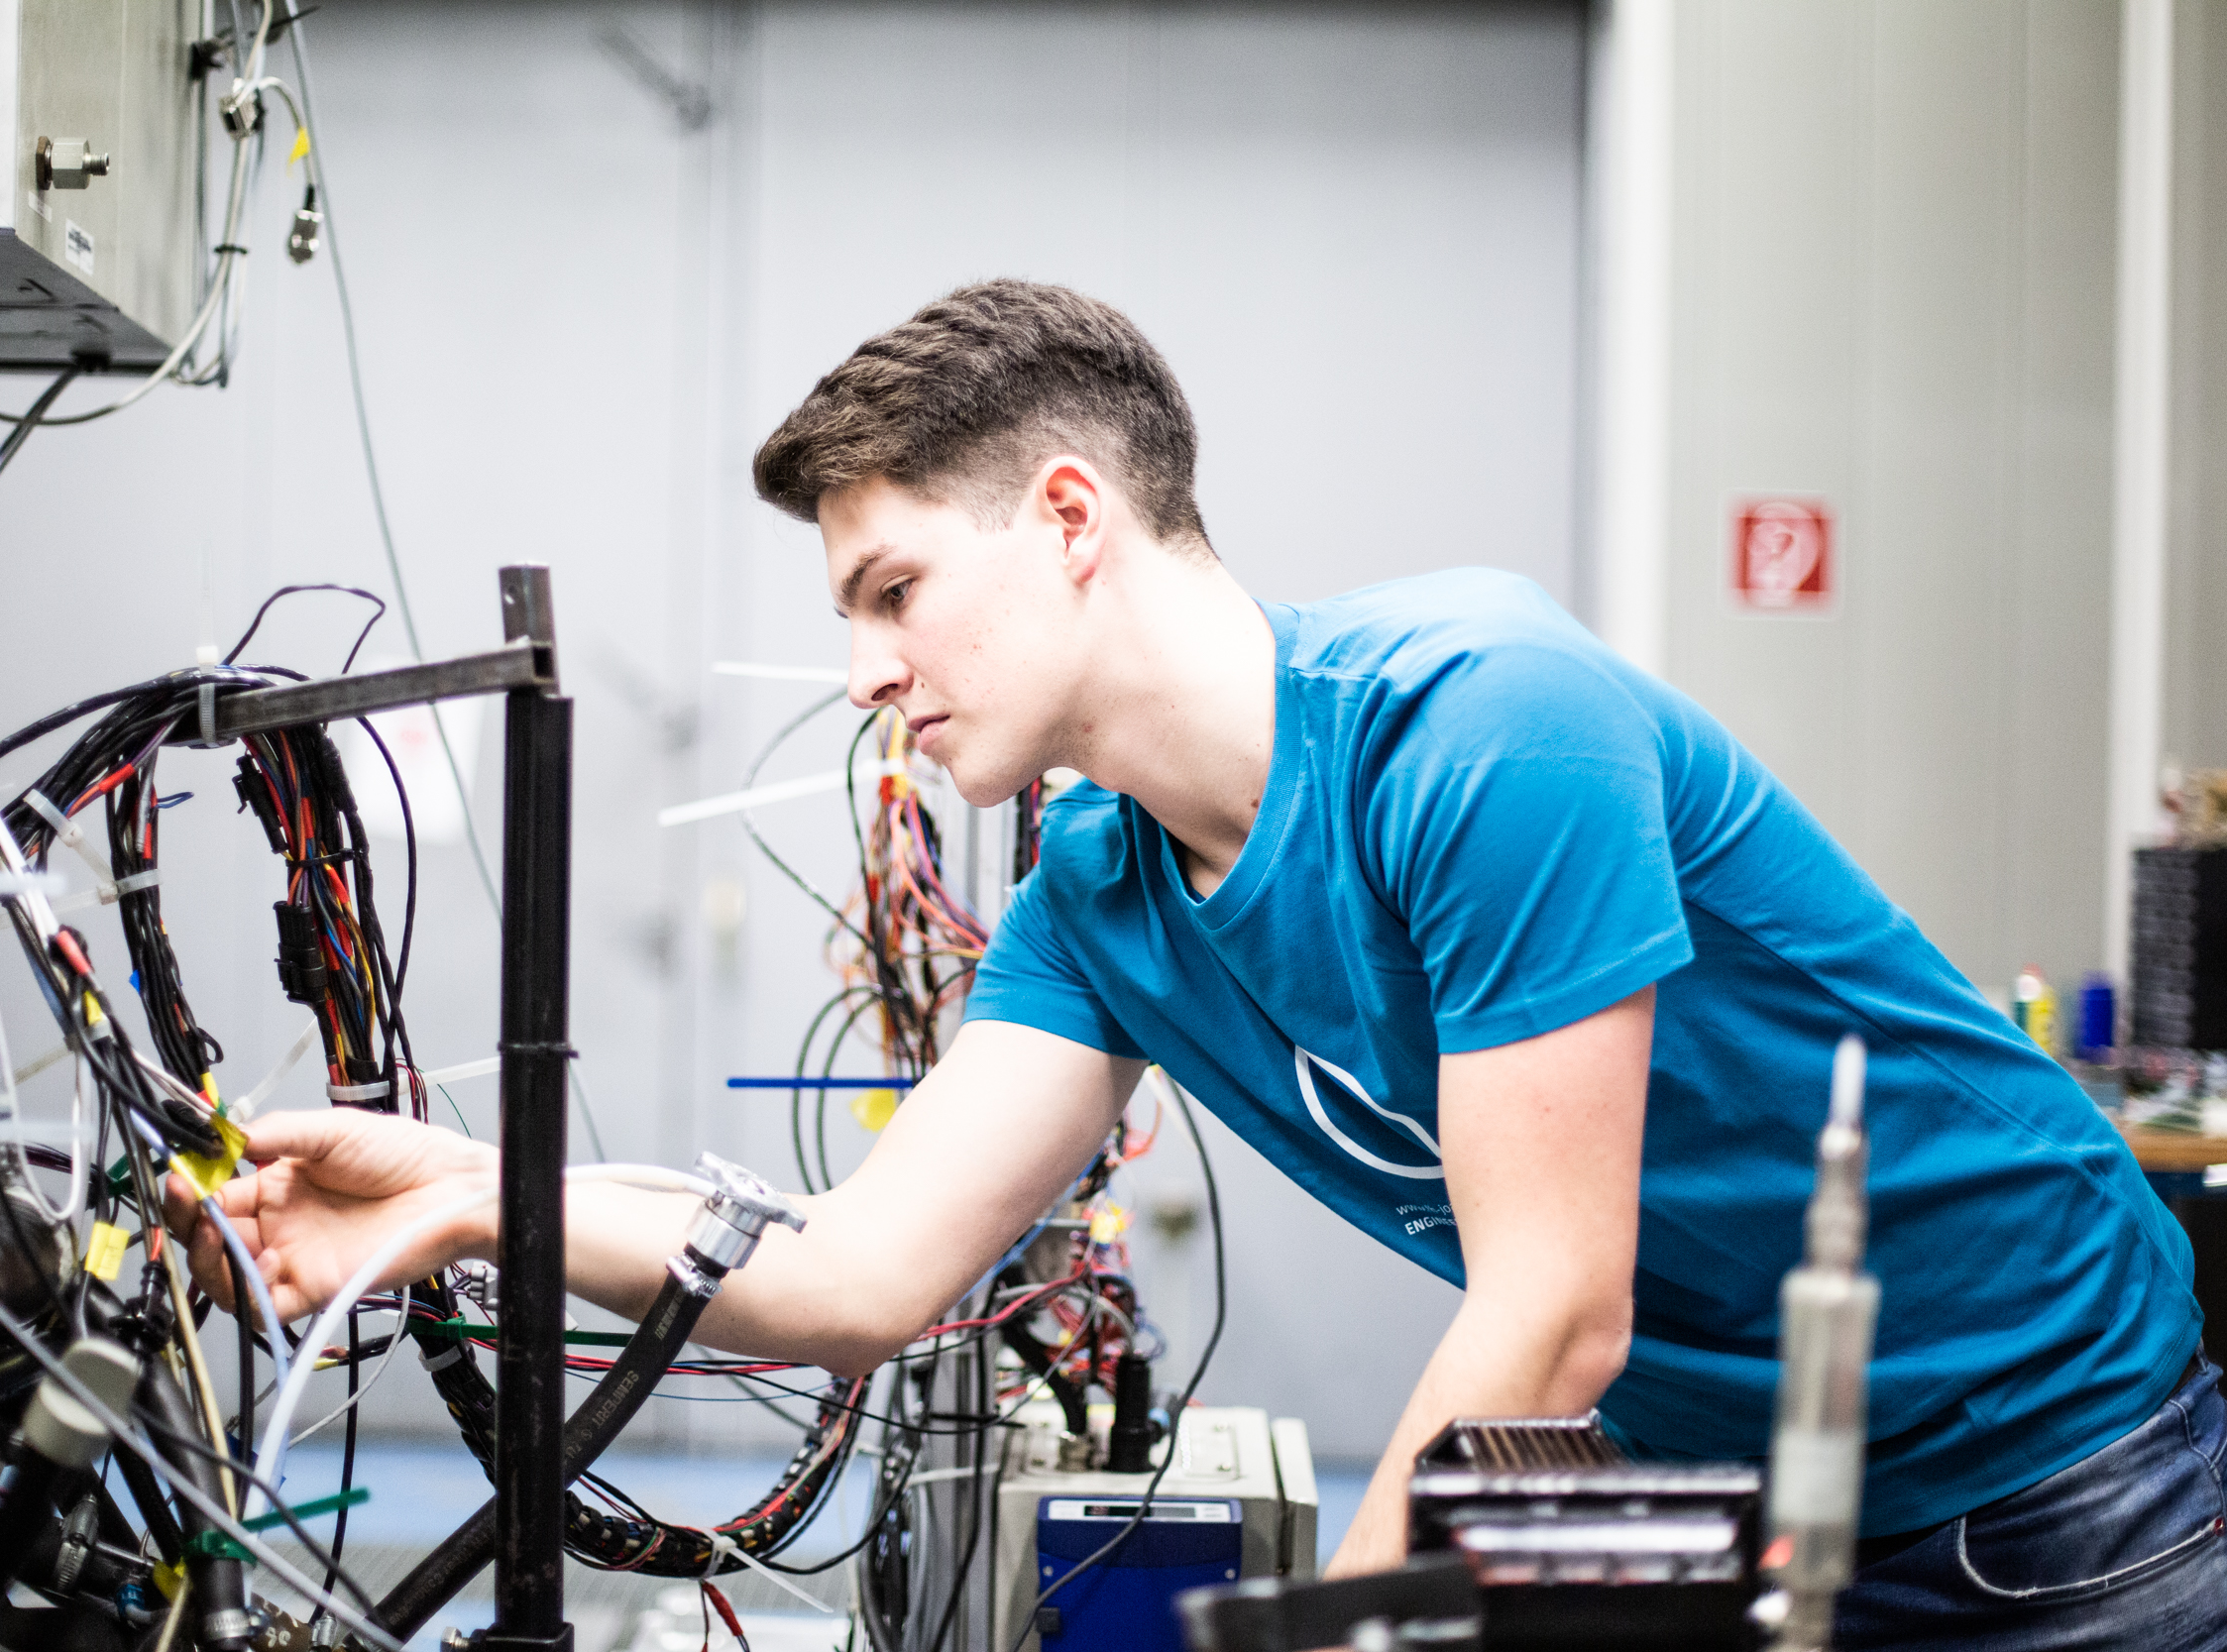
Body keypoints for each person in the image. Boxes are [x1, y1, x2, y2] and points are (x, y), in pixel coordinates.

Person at [171, 280, 2221, 1647]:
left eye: (893, 587)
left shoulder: (1478, 728)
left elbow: (1554, 1316)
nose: (864, 668)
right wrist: (470, 1200)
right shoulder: (1102, 889)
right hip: (1772, 1518)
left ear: (1068, 515)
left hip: (2064, 1477)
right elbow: (864, 1276)